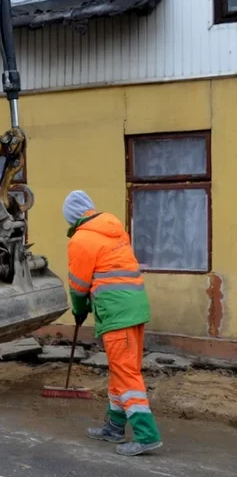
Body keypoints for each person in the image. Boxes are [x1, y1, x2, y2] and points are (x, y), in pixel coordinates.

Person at [64, 190, 162, 456]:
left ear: (71, 218)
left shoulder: (82, 240)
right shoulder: (112, 229)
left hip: (117, 313)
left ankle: (146, 434)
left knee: (126, 373)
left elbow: (79, 285)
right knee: (121, 370)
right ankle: (114, 427)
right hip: (134, 307)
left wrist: (79, 310)